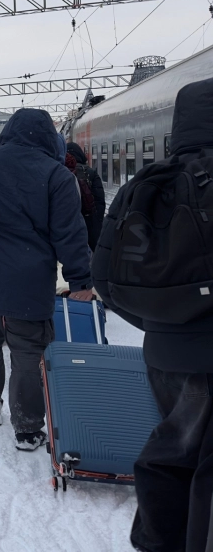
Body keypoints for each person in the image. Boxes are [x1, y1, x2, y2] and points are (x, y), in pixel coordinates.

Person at [93, 79, 213, 552]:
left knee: (173, 451)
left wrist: (166, 320)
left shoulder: (146, 186)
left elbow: (107, 279)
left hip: (167, 354)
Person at [0, 109, 94, 451]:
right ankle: (27, 428)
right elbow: (70, 234)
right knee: (29, 353)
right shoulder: (56, 175)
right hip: (28, 284)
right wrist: (80, 281)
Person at [65, 142, 105, 251]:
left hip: (69, 226)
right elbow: (100, 202)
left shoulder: (61, 172)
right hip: (90, 223)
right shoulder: (91, 172)